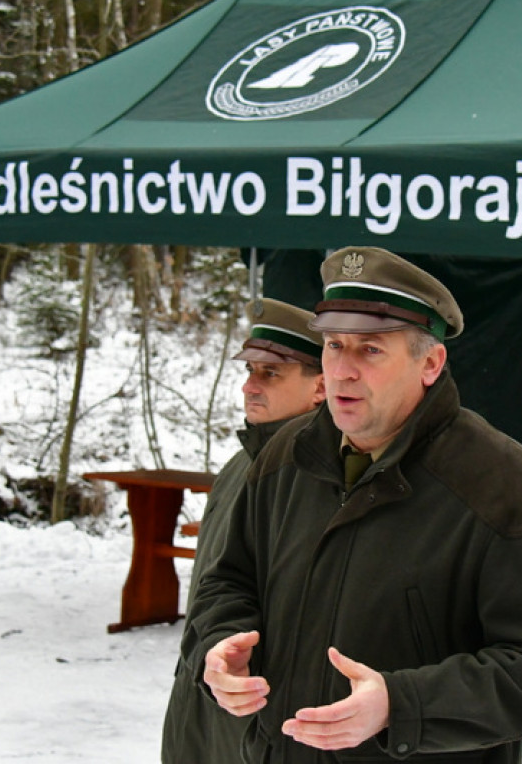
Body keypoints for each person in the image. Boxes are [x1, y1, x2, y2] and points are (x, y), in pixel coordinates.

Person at [183, 246, 522, 764]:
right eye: (333, 346)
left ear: (430, 363)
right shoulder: (285, 455)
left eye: (370, 350)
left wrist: (401, 705)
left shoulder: (506, 487)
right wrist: (218, 649)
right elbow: (228, 580)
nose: (342, 372)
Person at [161, 298, 326, 764]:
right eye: (251, 369)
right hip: (201, 696)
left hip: (260, 711)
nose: (248, 386)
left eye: (270, 373)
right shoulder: (241, 464)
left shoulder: (319, 480)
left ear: (320, 386)